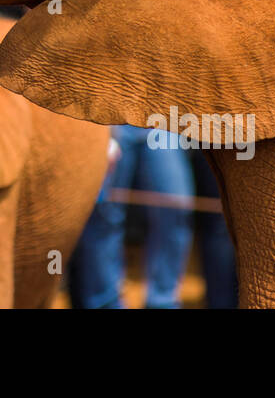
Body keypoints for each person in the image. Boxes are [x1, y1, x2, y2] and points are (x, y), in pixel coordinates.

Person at [68, 125, 194, 309]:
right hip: (109, 121)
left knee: (176, 207)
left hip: (160, 119)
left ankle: (163, 301)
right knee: (103, 212)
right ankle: (105, 302)